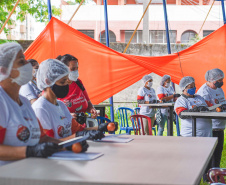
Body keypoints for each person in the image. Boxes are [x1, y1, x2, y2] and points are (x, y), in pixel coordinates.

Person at [0, 42, 63, 166]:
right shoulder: (2, 102)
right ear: (4, 70)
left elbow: (42, 139)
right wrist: (29, 151)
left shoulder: (24, 102)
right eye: (21, 61)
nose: (28, 64)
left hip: (30, 172)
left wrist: (67, 146)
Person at [32, 59, 105, 141]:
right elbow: (49, 142)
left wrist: (100, 128)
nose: (66, 85)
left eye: (67, 81)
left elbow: (79, 130)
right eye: (62, 82)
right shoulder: (41, 108)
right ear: (48, 82)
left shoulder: (61, 105)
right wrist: (76, 136)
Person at [197, 68, 226, 168]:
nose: (221, 83)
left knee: (218, 152)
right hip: (210, 127)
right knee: (210, 154)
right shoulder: (203, 91)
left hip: (220, 126)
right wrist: (218, 108)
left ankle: (216, 176)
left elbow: (222, 103)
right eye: (218, 81)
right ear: (210, 80)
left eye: (221, 80)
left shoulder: (219, 89)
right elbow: (205, 108)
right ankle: (207, 177)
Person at [56, 54, 97, 119]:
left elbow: (88, 101)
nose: (76, 71)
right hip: (65, 126)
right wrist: (67, 116)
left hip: (82, 125)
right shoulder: (55, 87)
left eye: (77, 68)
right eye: (73, 69)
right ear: (63, 69)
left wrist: (91, 109)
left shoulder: (78, 82)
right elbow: (50, 112)